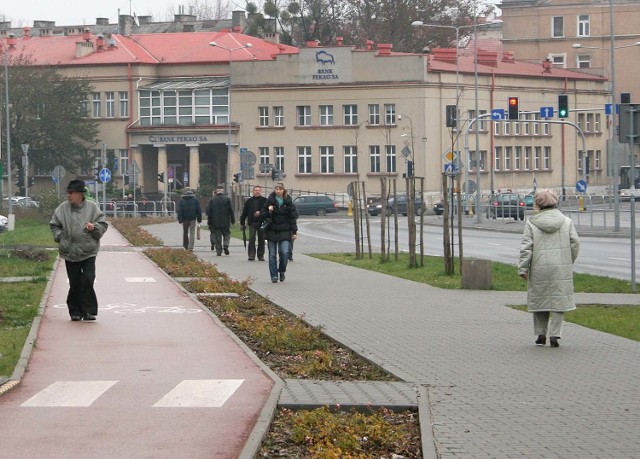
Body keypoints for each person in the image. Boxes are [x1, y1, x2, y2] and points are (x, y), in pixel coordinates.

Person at [518, 189, 580, 348]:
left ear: (538, 204)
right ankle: (555, 334)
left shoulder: (532, 223)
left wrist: (523, 269)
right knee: (559, 300)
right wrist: (568, 260)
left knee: (540, 299)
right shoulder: (566, 222)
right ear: (556, 202)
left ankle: (540, 334)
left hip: (539, 267)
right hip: (560, 267)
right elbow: (575, 243)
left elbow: (526, 248)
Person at [50, 179, 108, 321]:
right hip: (70, 251)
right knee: (74, 281)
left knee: (88, 279)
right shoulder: (62, 208)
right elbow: (54, 225)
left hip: (88, 251)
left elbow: (103, 224)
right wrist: (60, 237)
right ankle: (75, 311)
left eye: (71, 193)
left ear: (80, 194)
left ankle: (89, 311)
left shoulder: (92, 208)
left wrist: (94, 227)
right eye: (68, 193)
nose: (68, 195)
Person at [261, 183, 298, 283]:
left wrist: (294, 232)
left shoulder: (289, 203)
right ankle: (274, 275)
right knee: (272, 255)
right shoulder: (269, 202)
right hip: (271, 231)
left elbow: (293, 218)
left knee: (284, 252)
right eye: (276, 189)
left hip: (285, 231)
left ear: (284, 190)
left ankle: (281, 271)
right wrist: (269, 211)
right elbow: (262, 215)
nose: (278, 191)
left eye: (280, 189)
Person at [240, 185, 268, 261]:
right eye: (256, 190)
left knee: (261, 239)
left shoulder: (265, 200)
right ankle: (251, 255)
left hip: (262, 223)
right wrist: (242, 222)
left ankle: (260, 255)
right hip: (252, 222)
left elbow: (267, 211)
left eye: (259, 190)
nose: (257, 191)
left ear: (261, 191)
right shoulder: (249, 201)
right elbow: (244, 212)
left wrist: (261, 213)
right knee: (252, 239)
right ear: (253, 191)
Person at [206, 186, 235, 256]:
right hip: (225, 221)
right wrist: (232, 220)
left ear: (216, 191)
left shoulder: (212, 200)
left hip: (215, 221)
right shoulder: (227, 199)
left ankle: (219, 251)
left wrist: (209, 221)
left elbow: (209, 212)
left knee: (217, 236)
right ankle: (226, 245)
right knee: (227, 234)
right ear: (222, 191)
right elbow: (230, 210)